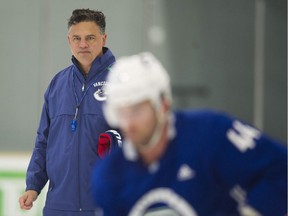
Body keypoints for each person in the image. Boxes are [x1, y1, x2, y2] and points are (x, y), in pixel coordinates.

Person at [91, 52, 287, 216]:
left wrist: (255, 210)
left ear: (164, 105)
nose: (128, 123)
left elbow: (281, 169)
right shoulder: (108, 175)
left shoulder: (210, 133)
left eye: (137, 111)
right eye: (120, 113)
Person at [18, 9, 120, 216]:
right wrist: (33, 185)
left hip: (106, 202)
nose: (83, 44)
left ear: (103, 38)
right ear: (69, 40)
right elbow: (44, 140)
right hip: (59, 205)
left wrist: (120, 142)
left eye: (90, 38)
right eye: (77, 38)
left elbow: (143, 137)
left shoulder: (122, 80)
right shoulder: (58, 84)